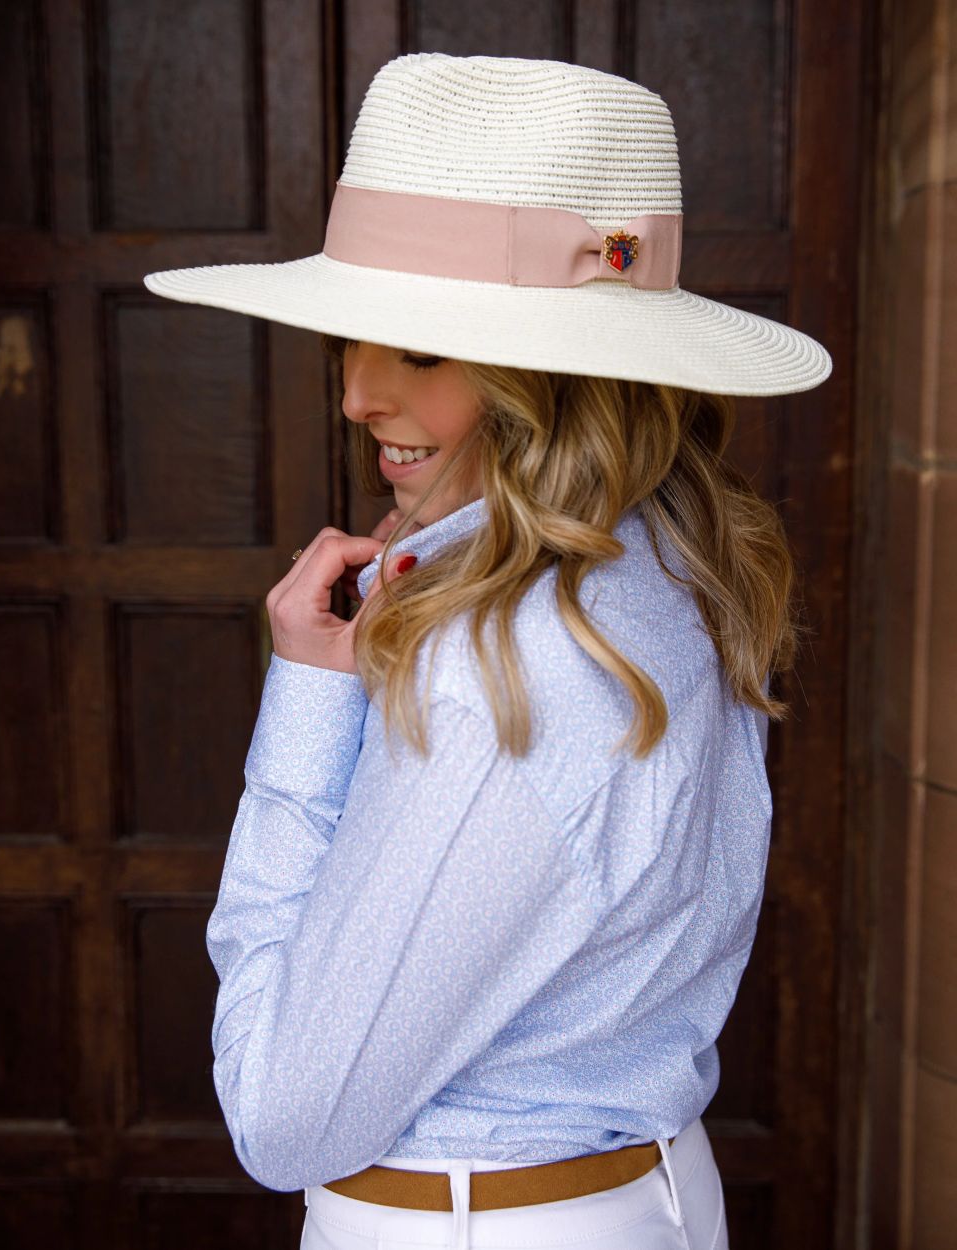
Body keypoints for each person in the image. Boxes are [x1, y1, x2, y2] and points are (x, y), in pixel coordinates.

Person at [144, 52, 831, 1250]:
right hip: (646, 1193)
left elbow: (281, 1114)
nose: (355, 394)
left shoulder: (513, 665)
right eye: (352, 341)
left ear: (555, 379)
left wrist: (308, 703)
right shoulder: (667, 554)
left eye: (417, 350)